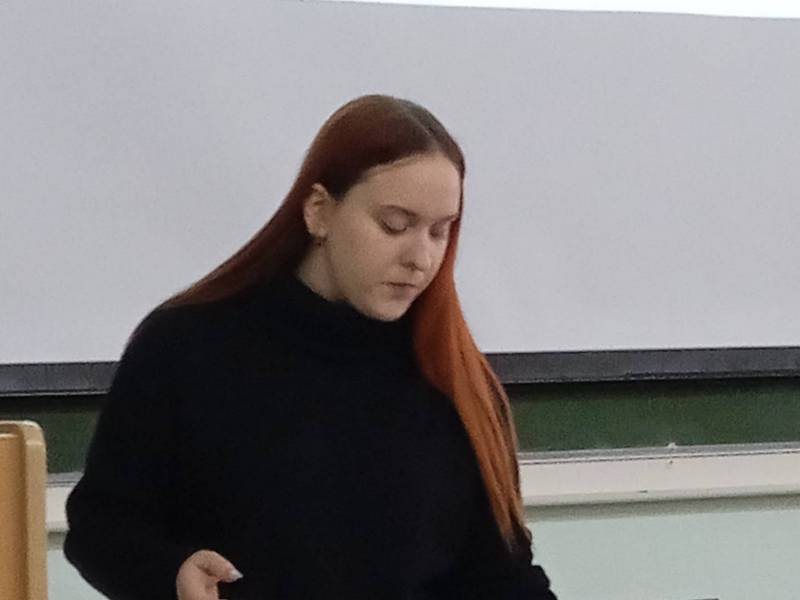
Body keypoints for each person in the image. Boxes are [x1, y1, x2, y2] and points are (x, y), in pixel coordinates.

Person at [64, 94, 558, 600]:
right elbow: (101, 525)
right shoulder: (186, 347)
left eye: (440, 232)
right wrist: (170, 573)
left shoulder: (455, 381)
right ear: (319, 211)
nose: (421, 257)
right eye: (394, 225)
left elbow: (500, 578)